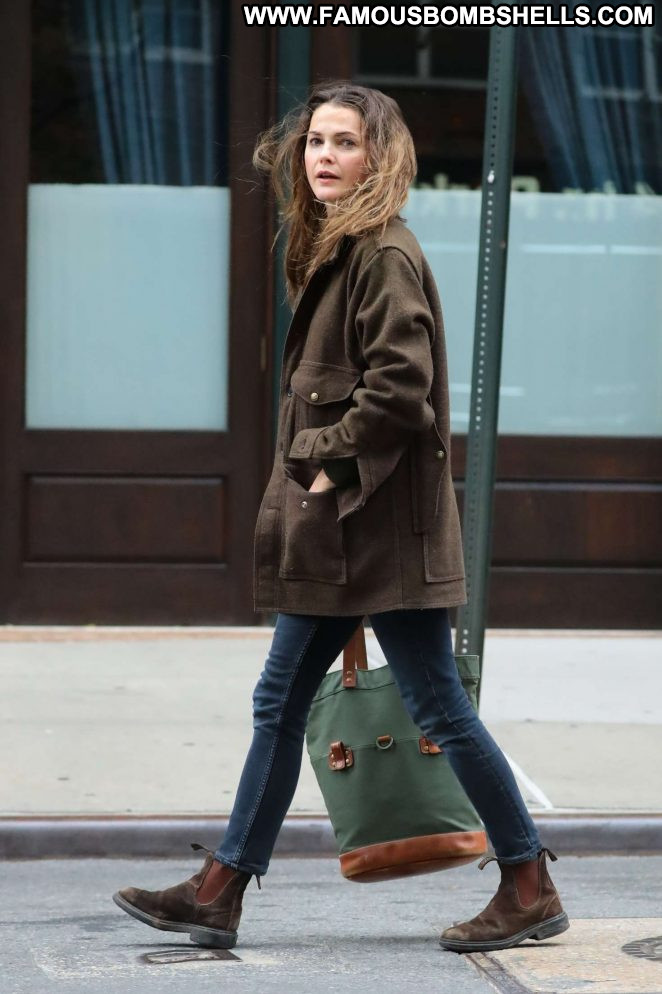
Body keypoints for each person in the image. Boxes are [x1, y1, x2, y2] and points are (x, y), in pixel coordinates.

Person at [113, 81, 569, 956]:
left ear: (378, 157)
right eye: (317, 140)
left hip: (379, 533)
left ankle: (527, 883)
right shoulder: (339, 246)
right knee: (286, 702)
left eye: (345, 142)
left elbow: (401, 388)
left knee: (434, 707)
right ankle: (220, 891)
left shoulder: (382, 253)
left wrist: (325, 462)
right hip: (347, 536)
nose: (325, 155)